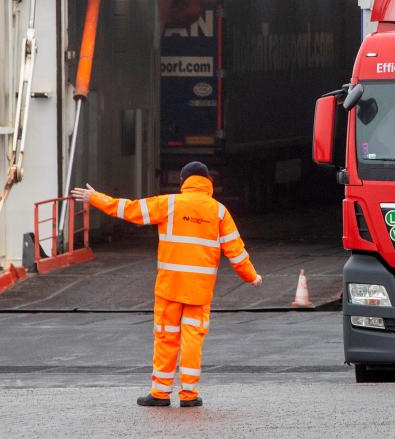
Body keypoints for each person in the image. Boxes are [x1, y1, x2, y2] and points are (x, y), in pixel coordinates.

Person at [70, 161, 262, 408]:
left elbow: (130, 210)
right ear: (208, 183)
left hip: (170, 288)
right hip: (199, 291)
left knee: (166, 338)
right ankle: (189, 395)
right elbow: (236, 251)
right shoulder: (219, 212)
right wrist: (251, 276)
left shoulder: (170, 204)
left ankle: (160, 394)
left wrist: (96, 198)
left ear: (183, 181)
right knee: (193, 339)